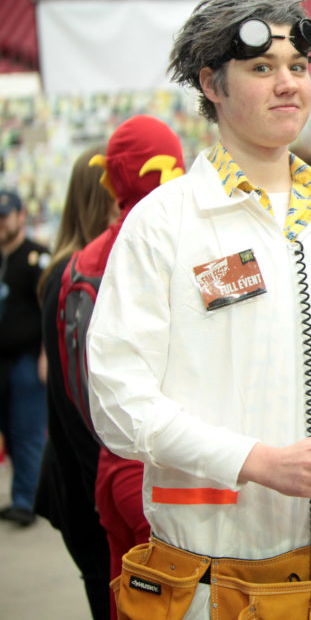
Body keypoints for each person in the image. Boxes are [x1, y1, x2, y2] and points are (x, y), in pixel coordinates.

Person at [86, 0, 311, 620]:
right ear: (211, 85)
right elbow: (118, 399)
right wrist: (255, 462)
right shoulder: (164, 224)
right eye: (261, 68)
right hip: (212, 581)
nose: (288, 84)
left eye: (298, 68)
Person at [64, 115, 186, 620]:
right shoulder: (168, 245)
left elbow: (74, 380)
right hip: (159, 468)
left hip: (108, 465)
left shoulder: (82, 260)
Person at [35, 145, 117, 619]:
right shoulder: (75, 279)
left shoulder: (71, 272)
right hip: (86, 487)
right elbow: (81, 405)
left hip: (82, 480)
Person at [0, 187, 51, 527]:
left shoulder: (37, 257)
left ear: (20, 216)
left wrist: (47, 355)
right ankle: (21, 495)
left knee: (28, 430)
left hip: (28, 360)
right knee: (9, 428)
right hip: (2, 361)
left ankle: (27, 500)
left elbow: (49, 307)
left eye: (5, 216)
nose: (1, 223)